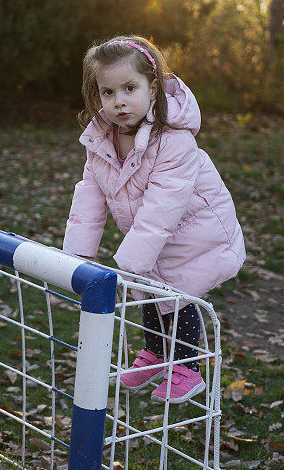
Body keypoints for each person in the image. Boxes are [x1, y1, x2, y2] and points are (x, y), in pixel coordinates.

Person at [62, 35, 245, 403]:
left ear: (153, 86)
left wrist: (129, 262)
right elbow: (89, 197)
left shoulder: (173, 140)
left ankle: (186, 367)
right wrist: (76, 258)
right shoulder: (102, 140)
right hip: (152, 235)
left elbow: (164, 206)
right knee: (147, 288)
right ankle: (155, 355)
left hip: (196, 231)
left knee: (178, 293)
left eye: (130, 88)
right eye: (108, 92)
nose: (119, 101)